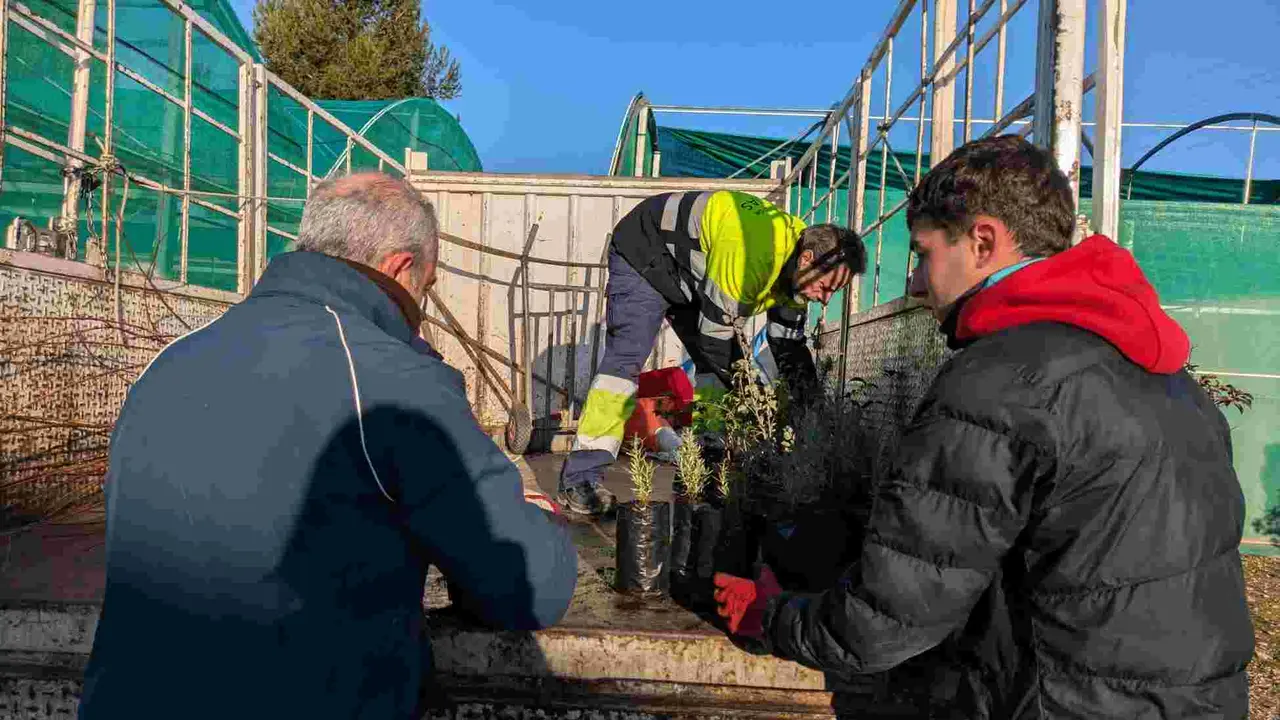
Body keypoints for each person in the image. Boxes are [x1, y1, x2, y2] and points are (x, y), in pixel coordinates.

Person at [714, 136, 1255, 718]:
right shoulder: (1172, 381)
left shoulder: (1001, 382)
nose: (917, 285)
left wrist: (768, 615)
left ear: (982, 241)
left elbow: (886, 622)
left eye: (923, 254)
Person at [80, 173, 579, 719]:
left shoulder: (166, 364)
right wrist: (538, 515)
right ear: (400, 268)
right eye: (427, 287)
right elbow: (529, 586)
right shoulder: (392, 378)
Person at [558, 189, 866, 516]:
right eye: (827, 287)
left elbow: (789, 350)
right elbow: (715, 338)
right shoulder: (751, 252)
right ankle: (581, 479)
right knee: (624, 363)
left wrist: (813, 414)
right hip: (647, 252)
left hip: (691, 273)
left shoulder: (799, 276)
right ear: (807, 260)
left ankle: (704, 470)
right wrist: (754, 398)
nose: (826, 300)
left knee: (714, 375)